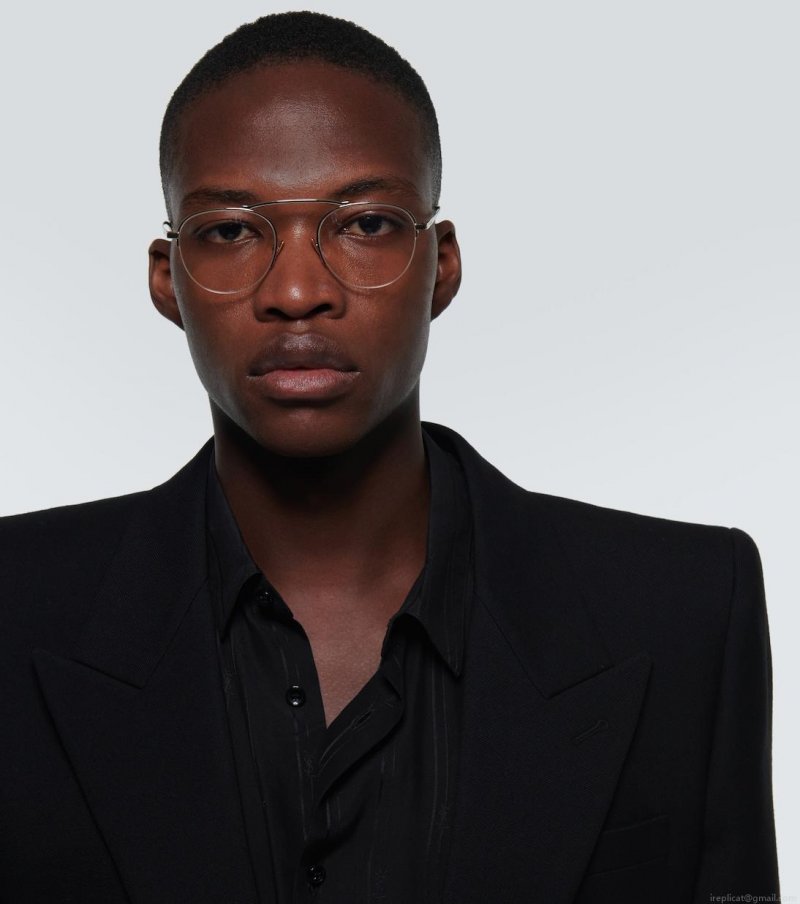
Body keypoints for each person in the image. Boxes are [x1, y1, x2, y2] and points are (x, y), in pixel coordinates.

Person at [0, 11, 779, 903]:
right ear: (165, 279)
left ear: (440, 265)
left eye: (365, 223)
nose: (298, 292)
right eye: (231, 231)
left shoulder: (683, 611)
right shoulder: (16, 607)